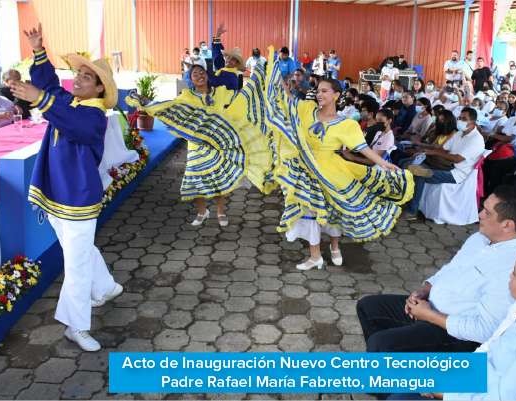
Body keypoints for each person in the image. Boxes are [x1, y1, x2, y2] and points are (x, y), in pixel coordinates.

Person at [10, 23, 123, 351]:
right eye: (78, 74)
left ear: (100, 89)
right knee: (80, 251)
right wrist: (38, 50)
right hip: (56, 194)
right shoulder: (70, 101)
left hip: (76, 200)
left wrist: (41, 98)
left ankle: (76, 327)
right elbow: (47, 85)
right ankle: (104, 286)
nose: (77, 78)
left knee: (74, 265)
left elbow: (67, 119)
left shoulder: (94, 116)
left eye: (87, 77)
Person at [268, 51, 412, 269]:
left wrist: (383, 163)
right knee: (309, 211)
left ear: (336, 95)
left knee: (333, 209)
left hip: (332, 171)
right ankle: (315, 256)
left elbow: (362, 148)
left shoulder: (346, 124)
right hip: (306, 169)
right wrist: (276, 77)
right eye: (318, 90)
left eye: (324, 91)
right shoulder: (306, 110)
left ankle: (334, 246)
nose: (319, 94)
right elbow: (288, 98)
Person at [359, 185, 516, 353]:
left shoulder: (513, 266)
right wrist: (424, 291)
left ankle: (388, 372)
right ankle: (392, 368)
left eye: (487, 212)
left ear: (507, 225)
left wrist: (429, 316)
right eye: (482, 209)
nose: (480, 215)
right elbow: (451, 269)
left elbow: (484, 330)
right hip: (431, 308)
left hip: (457, 336)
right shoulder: (480, 238)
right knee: (368, 307)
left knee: (381, 343)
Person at [391, 246, 516, 401]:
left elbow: (501, 398)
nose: (509, 277)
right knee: (386, 372)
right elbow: (491, 346)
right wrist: (453, 371)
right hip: (476, 376)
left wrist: (444, 392)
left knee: (400, 394)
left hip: (479, 392)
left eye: (515, 274)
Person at [127, 61, 276, 228]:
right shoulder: (186, 97)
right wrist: (148, 102)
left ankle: (221, 211)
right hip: (196, 144)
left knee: (218, 177)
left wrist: (258, 82)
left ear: (208, 75)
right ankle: (202, 211)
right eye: (195, 74)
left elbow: (242, 100)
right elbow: (170, 107)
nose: (199, 76)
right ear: (190, 79)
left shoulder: (221, 93)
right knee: (194, 177)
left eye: (201, 72)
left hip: (219, 143)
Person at [400, 108, 485, 220]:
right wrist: (425, 151)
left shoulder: (476, 139)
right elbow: (444, 149)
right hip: (444, 165)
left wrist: (433, 151)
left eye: (464, 118)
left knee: (419, 175)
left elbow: (457, 159)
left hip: (456, 173)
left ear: (473, 122)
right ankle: (403, 196)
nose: (460, 120)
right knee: (408, 164)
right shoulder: (459, 133)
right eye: (459, 118)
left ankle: (412, 211)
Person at [210, 23, 245, 91]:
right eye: (228, 57)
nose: (229, 60)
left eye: (233, 59)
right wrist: (217, 36)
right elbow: (217, 53)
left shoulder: (231, 75)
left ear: (236, 64)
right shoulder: (224, 68)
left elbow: (214, 80)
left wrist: (199, 73)